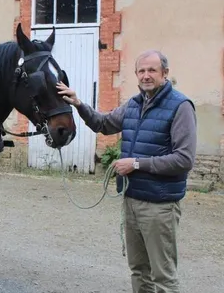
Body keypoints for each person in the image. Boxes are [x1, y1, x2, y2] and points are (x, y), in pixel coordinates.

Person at [57, 49, 197, 293]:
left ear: (165, 73)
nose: (146, 76)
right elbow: (103, 124)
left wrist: (136, 163)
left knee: (163, 276)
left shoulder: (181, 106)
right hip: (132, 200)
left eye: (152, 70)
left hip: (159, 205)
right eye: (141, 71)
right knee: (139, 271)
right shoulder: (133, 104)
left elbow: (183, 159)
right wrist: (78, 103)